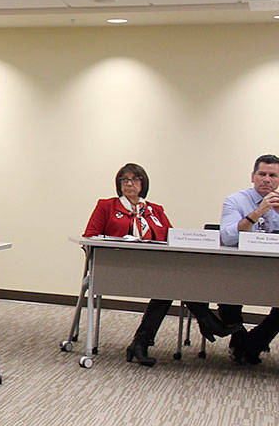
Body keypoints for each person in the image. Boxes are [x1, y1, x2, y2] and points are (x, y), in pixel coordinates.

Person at [84, 162, 235, 366]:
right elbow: (89, 237)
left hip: (154, 270)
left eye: (135, 179)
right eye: (124, 179)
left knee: (168, 285)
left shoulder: (155, 210)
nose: (129, 183)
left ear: (143, 183)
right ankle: (208, 321)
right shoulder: (107, 206)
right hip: (118, 269)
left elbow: (172, 239)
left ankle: (141, 343)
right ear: (119, 184)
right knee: (169, 285)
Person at [218, 154, 279, 364]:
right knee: (227, 301)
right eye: (262, 174)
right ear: (253, 176)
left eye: (273, 175)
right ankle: (243, 341)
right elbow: (226, 237)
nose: (266, 179)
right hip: (239, 270)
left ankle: (251, 342)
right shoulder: (235, 200)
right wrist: (258, 211)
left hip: (275, 272)